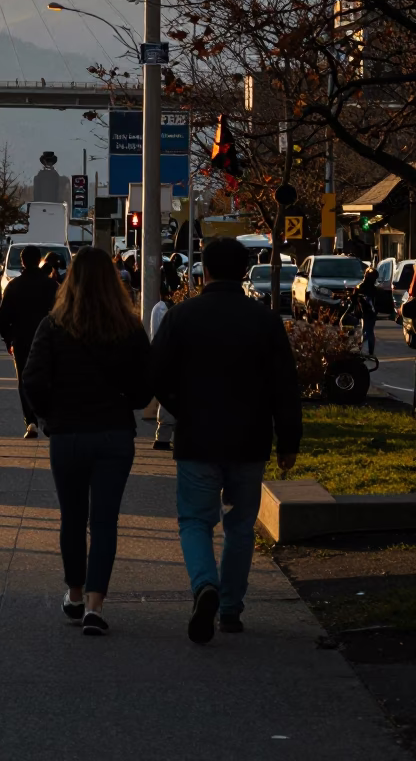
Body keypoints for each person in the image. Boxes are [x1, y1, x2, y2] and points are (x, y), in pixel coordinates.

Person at [150, 237, 302, 645]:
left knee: (195, 521)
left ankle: (205, 586)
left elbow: (157, 373)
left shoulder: (182, 316)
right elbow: (285, 385)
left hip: (198, 436)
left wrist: (181, 407)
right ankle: (231, 608)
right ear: (242, 271)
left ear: (207, 271)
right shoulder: (265, 320)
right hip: (249, 439)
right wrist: (289, 439)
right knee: (239, 525)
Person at [22, 247, 152, 636]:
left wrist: (50, 415)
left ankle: (75, 593)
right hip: (113, 433)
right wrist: (123, 402)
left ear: (70, 281)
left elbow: (31, 380)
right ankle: (96, 604)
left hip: (68, 435)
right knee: (105, 521)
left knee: (73, 518)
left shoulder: (53, 326)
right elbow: (145, 387)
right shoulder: (129, 328)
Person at [0, 244, 59, 439]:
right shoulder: (52, 286)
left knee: (24, 380)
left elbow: (3, 317)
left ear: (22, 261)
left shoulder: (14, 286)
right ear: (39, 260)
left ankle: (30, 420)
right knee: (50, 378)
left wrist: (9, 339)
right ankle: (47, 417)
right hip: (49, 339)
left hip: (22, 339)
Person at [151, 273, 175, 452]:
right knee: (169, 398)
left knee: (167, 397)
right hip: (167, 357)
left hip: (162, 356)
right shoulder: (162, 309)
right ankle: (163, 437)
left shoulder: (159, 308)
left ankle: (163, 436)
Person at [354, 268, 378, 355]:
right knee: (367, 330)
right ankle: (365, 349)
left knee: (368, 331)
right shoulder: (363, 287)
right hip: (366, 312)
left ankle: (361, 347)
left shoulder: (367, 288)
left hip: (369, 312)